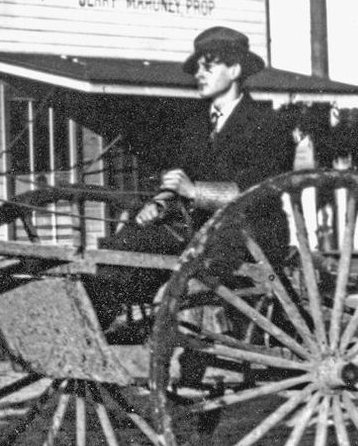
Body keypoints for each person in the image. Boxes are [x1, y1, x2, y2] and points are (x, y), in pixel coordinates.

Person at [91, 26, 295, 323]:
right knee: (123, 243)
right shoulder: (196, 125)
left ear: (235, 69)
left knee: (138, 246)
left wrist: (194, 191)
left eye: (208, 65)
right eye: (197, 66)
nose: (199, 73)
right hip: (200, 230)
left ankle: (106, 323)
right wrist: (159, 203)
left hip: (251, 235)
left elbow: (259, 191)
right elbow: (178, 174)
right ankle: (96, 327)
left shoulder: (267, 124)